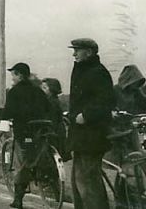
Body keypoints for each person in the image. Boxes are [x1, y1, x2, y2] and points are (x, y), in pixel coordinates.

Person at [0, 62, 51, 208]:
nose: (12, 78)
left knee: (22, 163)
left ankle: (18, 199)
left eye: (13, 74)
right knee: (37, 155)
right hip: (40, 131)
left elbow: (10, 112)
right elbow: (47, 107)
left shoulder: (15, 92)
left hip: (24, 132)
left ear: (19, 75)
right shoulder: (38, 90)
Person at [67, 38, 115, 209]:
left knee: (87, 181)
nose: (74, 54)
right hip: (82, 135)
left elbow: (106, 101)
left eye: (77, 50)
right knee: (78, 181)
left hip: (92, 134)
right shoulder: (85, 70)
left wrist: (86, 115)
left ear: (89, 52)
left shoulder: (98, 72)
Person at [40, 77, 67, 159]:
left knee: (28, 140)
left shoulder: (51, 103)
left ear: (52, 89)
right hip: (56, 133)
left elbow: (50, 120)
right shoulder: (53, 100)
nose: (42, 90)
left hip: (52, 134)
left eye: (44, 88)